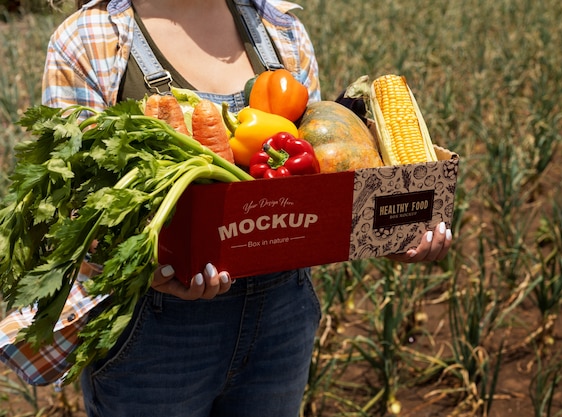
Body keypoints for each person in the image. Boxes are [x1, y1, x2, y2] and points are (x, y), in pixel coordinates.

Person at [41, 0, 453, 415]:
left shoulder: (280, 27)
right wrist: (150, 265)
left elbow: (316, 186)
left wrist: (390, 228)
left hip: (283, 316)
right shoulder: (89, 40)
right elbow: (76, 210)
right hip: (156, 334)